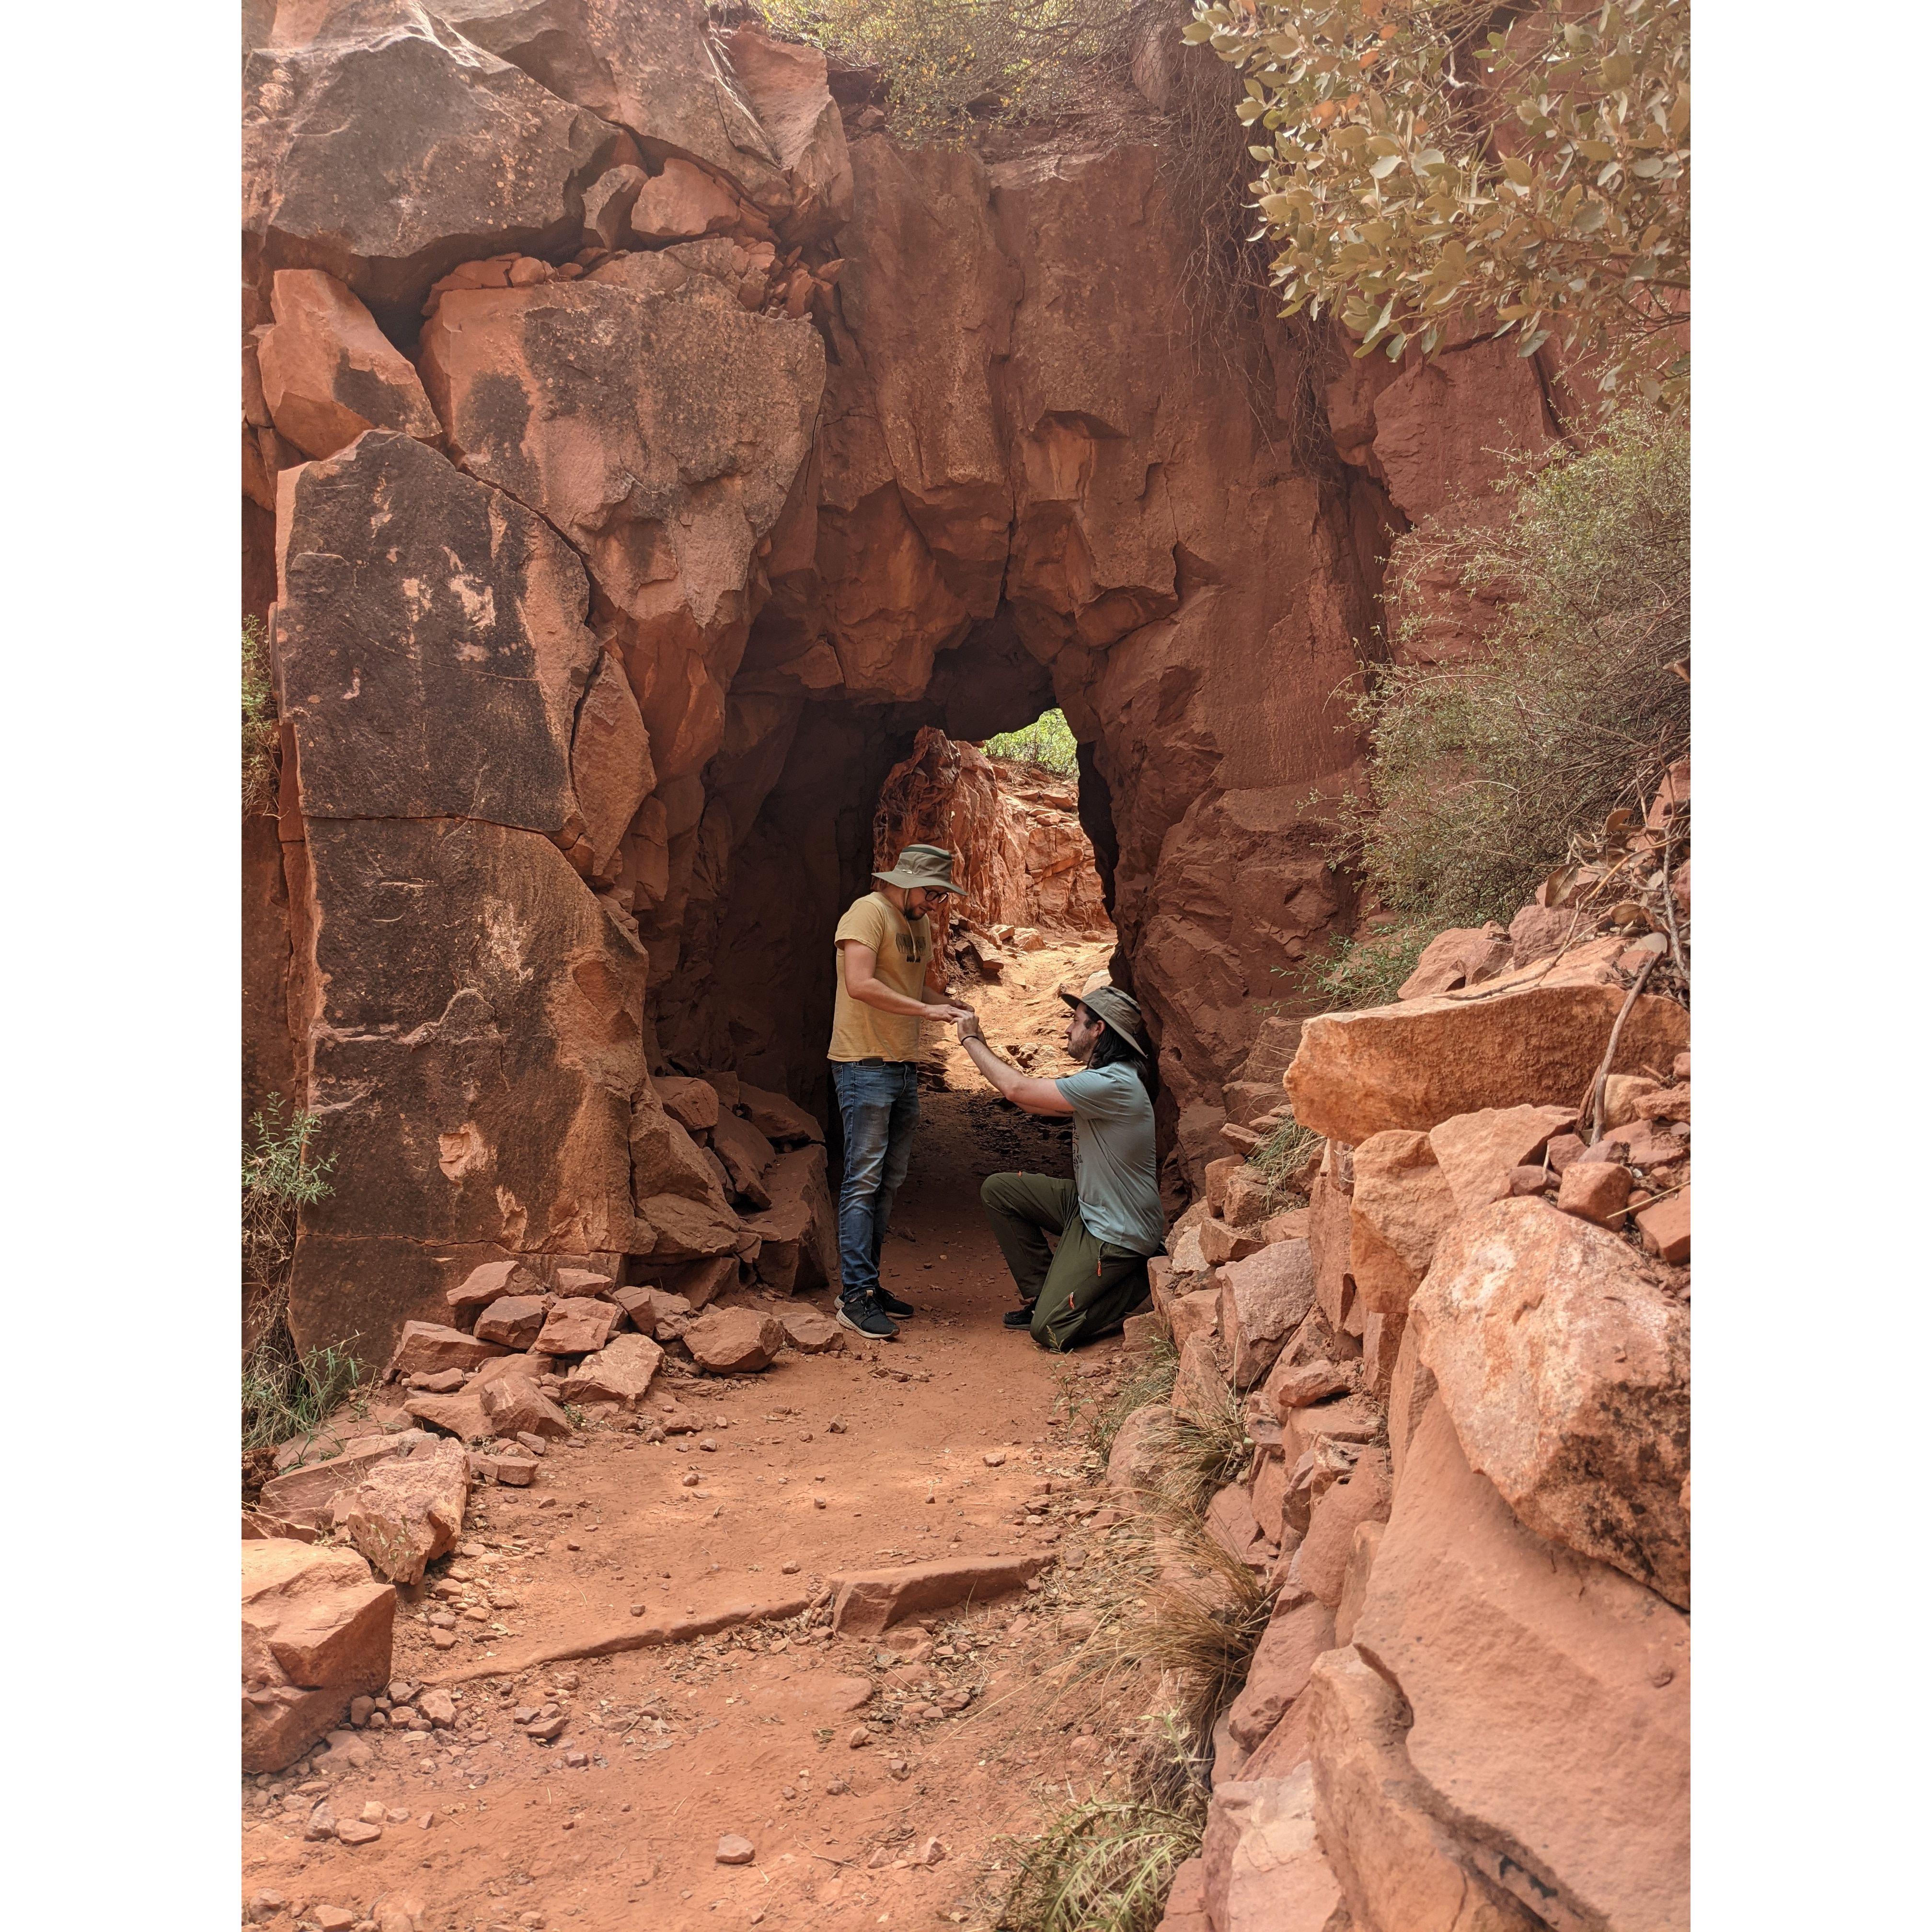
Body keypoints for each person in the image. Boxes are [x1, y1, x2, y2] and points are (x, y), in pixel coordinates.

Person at [957, 983, 1165, 1350]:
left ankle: (1139, 1287)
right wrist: (982, 1045)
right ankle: (1042, 1297)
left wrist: (970, 1040)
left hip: (1117, 1231)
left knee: (1050, 1329)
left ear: (1098, 1029)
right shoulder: (1108, 1079)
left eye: (1076, 1020)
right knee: (1001, 1191)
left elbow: (1017, 1091)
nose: (1068, 1029)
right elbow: (1031, 1103)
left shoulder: (1113, 1084)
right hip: (1090, 1207)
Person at [828, 844, 975, 1340]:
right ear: (906, 881)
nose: (935, 903)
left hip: (902, 1064)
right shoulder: (867, 912)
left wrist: (948, 1004)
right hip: (863, 1062)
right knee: (863, 1180)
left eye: (941, 896)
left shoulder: (920, 923)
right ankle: (855, 1296)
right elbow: (859, 983)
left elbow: (913, 992)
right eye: (932, 893)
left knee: (888, 1180)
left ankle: (867, 1283)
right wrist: (927, 1013)